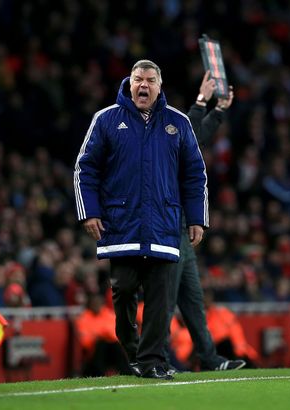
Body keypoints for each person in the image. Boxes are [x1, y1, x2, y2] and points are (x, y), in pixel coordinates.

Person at [74, 59, 208, 380]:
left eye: (150, 80)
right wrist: (89, 212)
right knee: (122, 295)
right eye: (138, 79)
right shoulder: (106, 119)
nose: (143, 85)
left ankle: (152, 362)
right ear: (129, 83)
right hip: (121, 227)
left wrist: (196, 218)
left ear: (160, 86)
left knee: (161, 301)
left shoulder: (178, 122)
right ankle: (135, 353)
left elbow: (194, 174)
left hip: (163, 226)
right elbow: (85, 168)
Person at [165, 71, 246, 373]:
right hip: (166, 231)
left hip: (182, 232)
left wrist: (220, 109)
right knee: (167, 301)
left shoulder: (181, 140)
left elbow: (196, 133)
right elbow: (190, 129)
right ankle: (160, 361)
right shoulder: (163, 141)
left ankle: (209, 358)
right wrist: (202, 101)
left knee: (193, 300)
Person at [75, 293, 130, 377]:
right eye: (94, 303)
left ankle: (127, 373)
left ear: (102, 304)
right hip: (93, 353)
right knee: (101, 344)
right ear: (89, 304)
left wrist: (100, 334)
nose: (96, 305)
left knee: (115, 345)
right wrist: (103, 335)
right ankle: (99, 374)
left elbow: (116, 336)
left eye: (98, 303)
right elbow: (85, 341)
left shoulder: (109, 315)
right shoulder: (83, 318)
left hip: (111, 349)